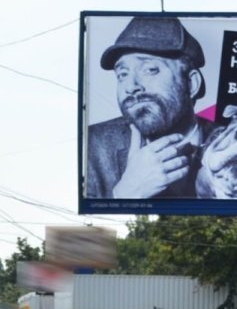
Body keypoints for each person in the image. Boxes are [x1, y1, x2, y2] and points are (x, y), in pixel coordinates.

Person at [85, 15, 211, 200]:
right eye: (123, 74)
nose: (131, 86)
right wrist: (126, 194)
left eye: (150, 70)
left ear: (191, 84)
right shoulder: (93, 145)